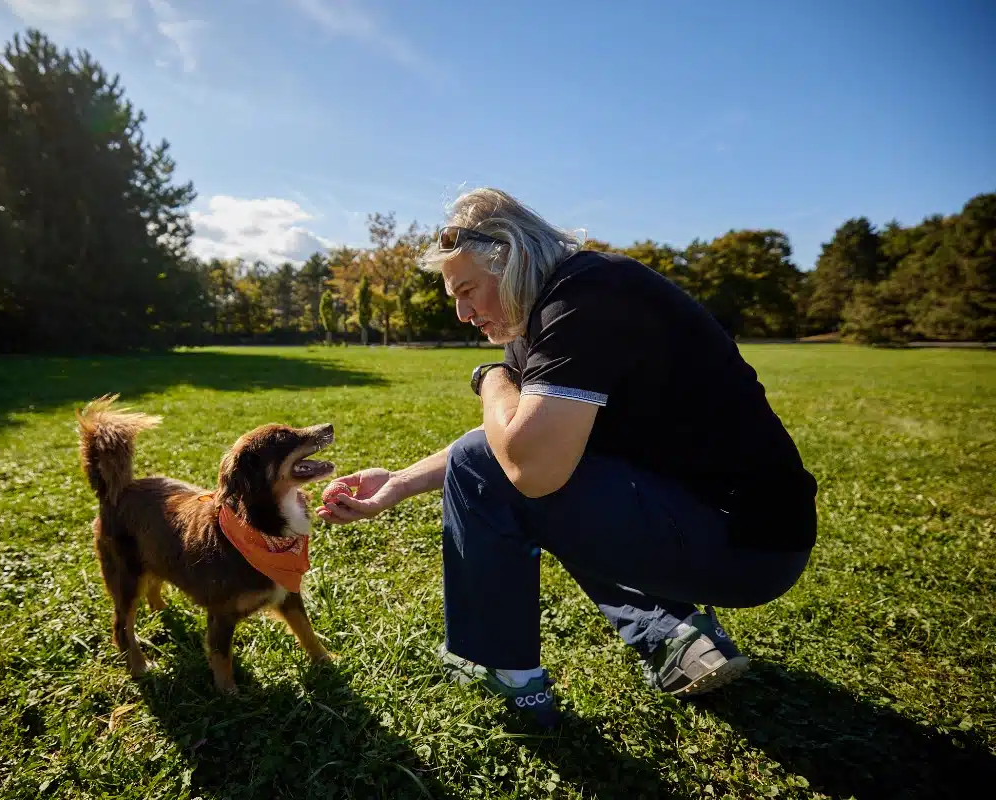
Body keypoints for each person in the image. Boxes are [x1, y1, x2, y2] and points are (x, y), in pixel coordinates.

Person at [316, 187, 818, 728]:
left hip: (743, 545)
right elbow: (519, 440)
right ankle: (671, 631)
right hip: (734, 531)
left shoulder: (588, 294)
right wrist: (398, 482)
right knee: (535, 459)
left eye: (467, 291)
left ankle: (501, 668)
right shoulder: (557, 308)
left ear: (509, 259)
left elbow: (524, 466)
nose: (462, 314)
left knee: (520, 468)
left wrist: (488, 378)